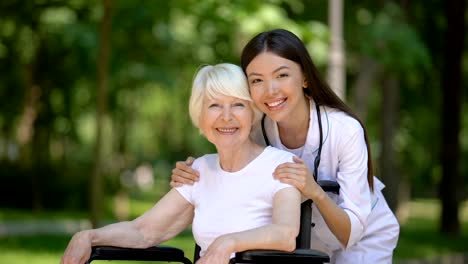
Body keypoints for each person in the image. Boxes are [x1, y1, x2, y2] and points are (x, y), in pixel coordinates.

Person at [170, 29, 400, 263]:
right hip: (309, 239)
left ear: (305, 78)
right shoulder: (256, 129)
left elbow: (350, 234)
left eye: (281, 75)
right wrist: (195, 172)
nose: (271, 90)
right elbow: (229, 169)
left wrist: (315, 192)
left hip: (363, 239)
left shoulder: (345, 130)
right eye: (257, 80)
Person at [61, 63, 301, 264]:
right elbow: (144, 230)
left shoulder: (280, 165)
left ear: (252, 113)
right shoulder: (198, 171)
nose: (226, 116)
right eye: (214, 105)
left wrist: (228, 242)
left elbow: (285, 234)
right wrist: (89, 236)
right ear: (200, 116)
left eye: (238, 104)